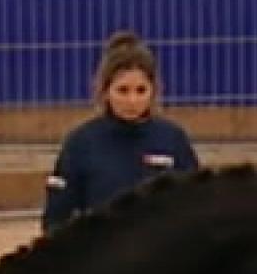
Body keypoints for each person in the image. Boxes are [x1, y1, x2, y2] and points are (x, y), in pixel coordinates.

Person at [41, 31, 198, 233]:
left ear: (153, 90)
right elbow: (56, 220)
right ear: (105, 91)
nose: (132, 101)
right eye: (123, 90)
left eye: (141, 90)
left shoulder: (173, 140)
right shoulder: (81, 144)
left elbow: (197, 207)